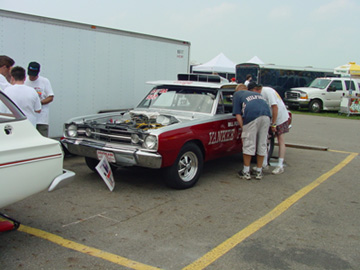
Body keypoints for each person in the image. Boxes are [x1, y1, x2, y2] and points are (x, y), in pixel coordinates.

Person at [232, 82, 271, 180]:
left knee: (249, 143)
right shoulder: (257, 94)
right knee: (262, 143)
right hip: (266, 116)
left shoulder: (237, 95)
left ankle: (246, 172)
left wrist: (243, 127)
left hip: (252, 116)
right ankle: (259, 171)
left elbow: (237, 114)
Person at [252, 84, 290, 174]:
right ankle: (264, 164)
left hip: (280, 117)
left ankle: (280, 165)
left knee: (280, 139)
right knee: (266, 140)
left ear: (255, 89)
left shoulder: (267, 91)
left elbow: (275, 107)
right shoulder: (259, 94)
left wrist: (274, 123)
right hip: (270, 118)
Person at [25, 62, 54, 137]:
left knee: (42, 138)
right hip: (28, 118)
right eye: (30, 74)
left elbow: (50, 97)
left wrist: (39, 103)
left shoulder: (44, 81)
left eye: (34, 75)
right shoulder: (24, 81)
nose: (32, 77)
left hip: (41, 118)